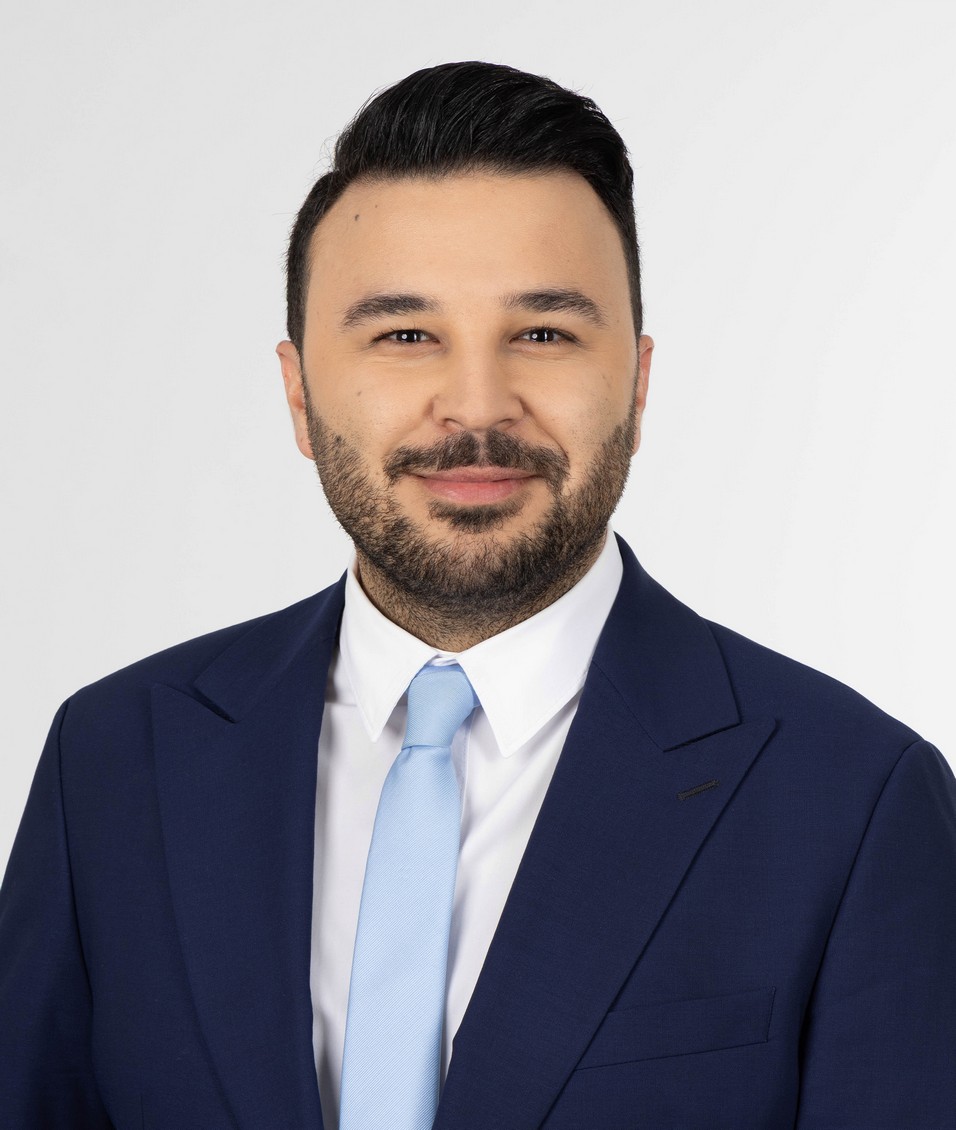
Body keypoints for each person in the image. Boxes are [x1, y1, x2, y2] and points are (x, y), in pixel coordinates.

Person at [1, 59, 954, 1130]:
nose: (476, 405)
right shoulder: (114, 761)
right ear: (299, 395)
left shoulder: (853, 801)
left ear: (638, 385)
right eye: (404, 335)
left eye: (543, 333)